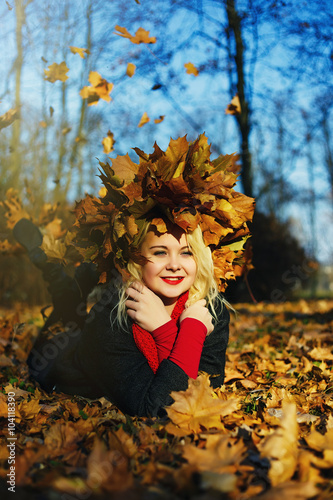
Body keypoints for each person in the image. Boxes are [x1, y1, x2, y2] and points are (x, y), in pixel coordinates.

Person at [13, 134, 255, 418]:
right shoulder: (109, 324)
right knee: (68, 307)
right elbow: (156, 408)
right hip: (58, 360)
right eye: (160, 252)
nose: (175, 265)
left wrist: (165, 329)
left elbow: (203, 389)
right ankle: (53, 265)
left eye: (187, 253)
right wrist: (177, 332)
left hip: (113, 315)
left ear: (200, 258)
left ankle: (72, 274)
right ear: (137, 260)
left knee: (72, 302)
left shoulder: (210, 310)